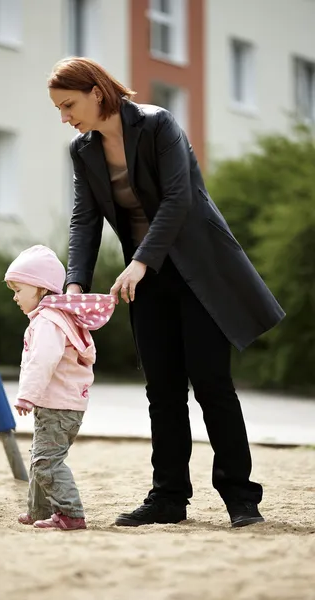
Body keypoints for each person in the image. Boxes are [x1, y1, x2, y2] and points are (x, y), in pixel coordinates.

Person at [47, 57, 285, 529]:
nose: (65, 117)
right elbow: (85, 218)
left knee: (213, 386)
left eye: (69, 104)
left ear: (97, 93)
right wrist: (75, 283)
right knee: (163, 391)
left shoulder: (158, 124)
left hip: (199, 272)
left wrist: (138, 261)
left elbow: (181, 199)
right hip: (147, 279)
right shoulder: (83, 151)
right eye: (58, 109)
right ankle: (169, 498)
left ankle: (241, 498)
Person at [4, 244, 116, 531]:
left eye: (18, 289)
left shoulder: (47, 321)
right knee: (40, 458)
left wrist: (27, 395)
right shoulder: (58, 317)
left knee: (46, 462)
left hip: (57, 406)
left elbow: (42, 360)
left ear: (40, 288)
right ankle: (37, 509)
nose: (15, 297)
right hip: (64, 405)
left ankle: (70, 514)